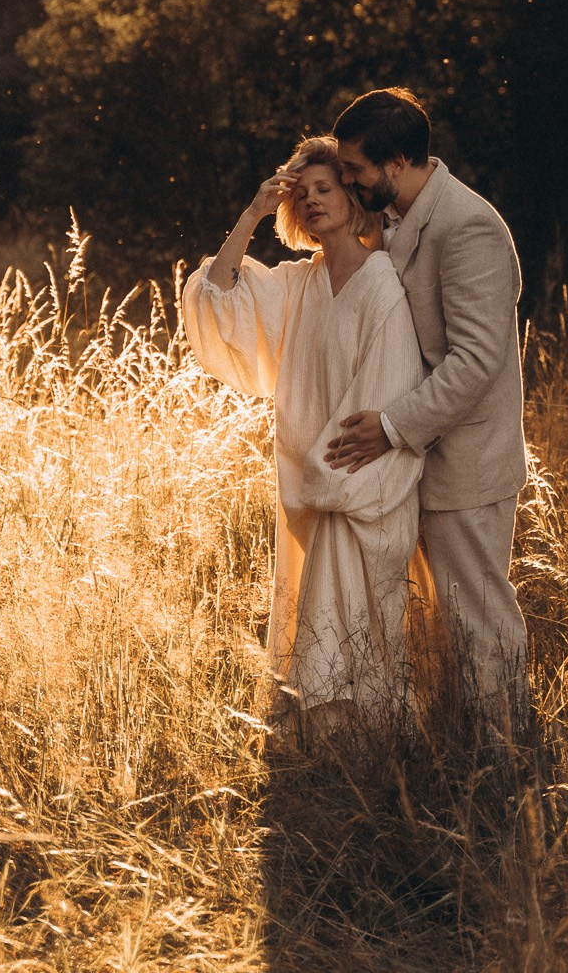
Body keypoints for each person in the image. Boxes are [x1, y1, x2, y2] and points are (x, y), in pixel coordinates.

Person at [181, 136, 427, 722]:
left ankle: (364, 748)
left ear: (353, 195)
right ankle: (319, 752)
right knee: (311, 625)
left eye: (327, 188)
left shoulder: (384, 284)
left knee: (362, 626)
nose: (315, 200)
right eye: (305, 192)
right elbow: (218, 293)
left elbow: (386, 390)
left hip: (359, 483)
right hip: (311, 490)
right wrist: (251, 214)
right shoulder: (297, 284)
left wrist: (333, 473)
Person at [325, 88, 528, 706]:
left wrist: (389, 426)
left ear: (397, 162)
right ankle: (454, 753)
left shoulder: (469, 227)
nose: (348, 180)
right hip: (416, 466)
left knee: (481, 624)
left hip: (466, 461)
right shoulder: (390, 220)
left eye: (356, 169)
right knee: (434, 628)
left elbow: (475, 361)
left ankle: (506, 759)